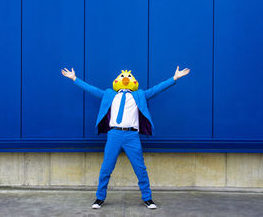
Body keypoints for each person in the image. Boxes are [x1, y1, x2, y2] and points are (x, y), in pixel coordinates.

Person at [61, 66, 190, 209]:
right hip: (114, 134)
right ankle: (99, 198)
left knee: (140, 168)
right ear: (117, 81)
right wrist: (74, 79)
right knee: (106, 168)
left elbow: (156, 89)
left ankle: (147, 198)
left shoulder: (140, 95)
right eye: (122, 77)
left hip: (132, 135)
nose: (126, 79)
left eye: (129, 77)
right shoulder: (109, 94)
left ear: (134, 81)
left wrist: (174, 78)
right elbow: (92, 89)